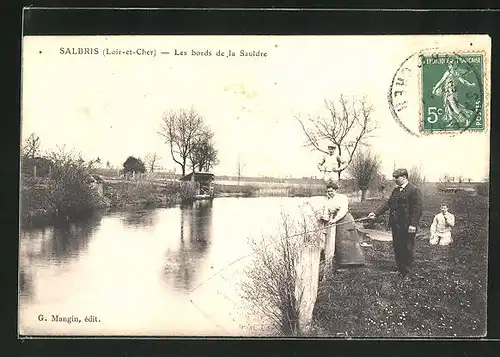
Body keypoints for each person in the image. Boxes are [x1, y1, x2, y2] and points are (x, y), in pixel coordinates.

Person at [368, 168, 422, 280]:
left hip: (408, 226)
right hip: (396, 224)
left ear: (404, 177)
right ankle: (400, 269)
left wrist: (413, 224)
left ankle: (407, 273)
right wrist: (375, 213)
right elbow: (388, 204)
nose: (395, 180)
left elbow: (417, 209)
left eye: (397, 177)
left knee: (407, 248)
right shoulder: (396, 190)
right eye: (394, 177)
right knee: (397, 247)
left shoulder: (414, 190)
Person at [319, 181, 365, 271]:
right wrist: (325, 217)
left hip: (344, 219)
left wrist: (335, 219)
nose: (330, 193)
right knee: (337, 240)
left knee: (346, 239)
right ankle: (340, 261)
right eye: (328, 191)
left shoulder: (342, 198)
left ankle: (353, 261)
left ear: (336, 190)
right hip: (334, 220)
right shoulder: (328, 199)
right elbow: (327, 210)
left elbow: (343, 210)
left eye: (331, 191)